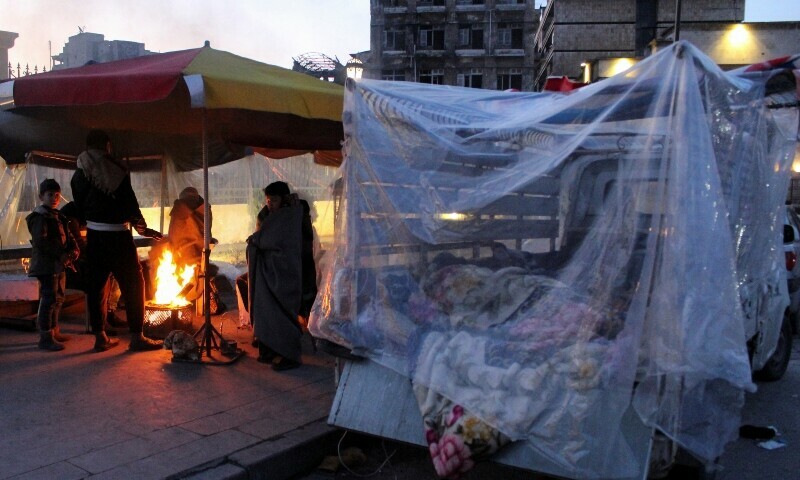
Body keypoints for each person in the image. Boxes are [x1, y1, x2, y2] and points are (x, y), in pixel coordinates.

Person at [71, 129, 164, 352]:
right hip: (119, 237)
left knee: (97, 288)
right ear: (107, 147)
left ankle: (100, 337)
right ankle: (136, 337)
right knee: (134, 284)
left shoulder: (79, 174)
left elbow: (79, 207)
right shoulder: (115, 171)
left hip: (94, 237)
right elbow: (129, 205)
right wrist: (142, 228)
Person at [247, 181, 304, 371]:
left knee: (283, 313)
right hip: (267, 272)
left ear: (284, 199)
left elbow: (274, 239)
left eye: (274, 200)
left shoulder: (289, 216)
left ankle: (290, 355)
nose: (270, 204)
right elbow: (262, 236)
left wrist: (256, 241)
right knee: (265, 312)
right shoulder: (267, 215)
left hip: (284, 271)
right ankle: (270, 349)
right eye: (268, 200)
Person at [26, 179, 80, 351]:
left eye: (57, 195)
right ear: (41, 196)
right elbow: (41, 242)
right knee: (49, 299)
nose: (54, 198)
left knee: (59, 298)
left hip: (59, 265)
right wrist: (62, 254)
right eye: (50, 195)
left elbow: (69, 237)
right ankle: (45, 336)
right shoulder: (40, 217)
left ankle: (54, 331)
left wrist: (74, 250)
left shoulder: (58, 216)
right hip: (47, 266)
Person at [163, 186, 224, 313]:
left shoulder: (201, 211)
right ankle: (190, 297)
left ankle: (195, 298)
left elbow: (201, 233)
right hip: (184, 257)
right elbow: (176, 234)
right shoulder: (185, 210)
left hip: (194, 257)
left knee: (198, 270)